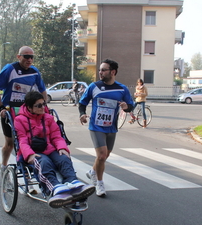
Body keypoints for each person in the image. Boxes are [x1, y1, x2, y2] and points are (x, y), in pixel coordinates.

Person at [14, 91, 95, 208]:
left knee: (64, 158)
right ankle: (55, 188)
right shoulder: (20, 120)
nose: (43, 107)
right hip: (33, 152)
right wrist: (29, 155)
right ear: (30, 108)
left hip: (49, 148)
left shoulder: (48, 118)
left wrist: (62, 148)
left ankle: (74, 183)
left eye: (44, 104)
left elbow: (57, 135)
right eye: (39, 105)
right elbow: (22, 140)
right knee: (44, 162)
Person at [79, 59, 134, 197]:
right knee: (102, 155)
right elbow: (82, 103)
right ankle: (99, 183)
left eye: (104, 70)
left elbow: (131, 105)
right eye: (100, 70)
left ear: (113, 72)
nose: (100, 72)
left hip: (111, 127)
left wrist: (127, 107)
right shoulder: (94, 86)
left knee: (105, 155)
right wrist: (82, 114)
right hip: (96, 126)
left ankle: (92, 171)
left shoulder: (122, 89)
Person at [0, 46, 47, 174]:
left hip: (27, 111)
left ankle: (26, 171)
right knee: (10, 142)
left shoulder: (34, 71)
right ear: (19, 57)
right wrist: (1, 107)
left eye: (31, 57)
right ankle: (4, 165)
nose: (29, 59)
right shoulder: (10, 69)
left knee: (27, 141)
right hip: (10, 110)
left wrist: (43, 106)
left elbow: (42, 90)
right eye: (26, 56)